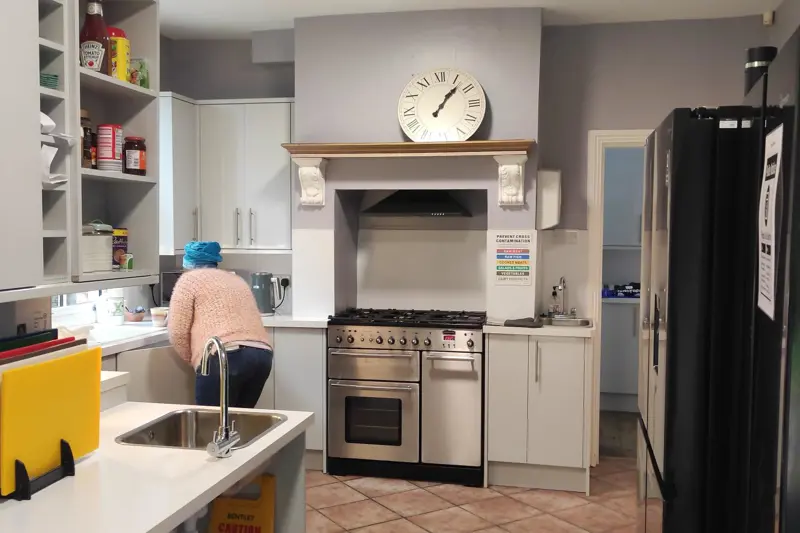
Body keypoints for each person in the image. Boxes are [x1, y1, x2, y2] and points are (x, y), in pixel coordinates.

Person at [168, 241, 273, 408]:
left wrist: (199, 362)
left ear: (188, 262)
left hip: (224, 355)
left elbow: (177, 331)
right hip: (262, 355)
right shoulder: (236, 279)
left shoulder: (189, 280)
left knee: (210, 420)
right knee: (239, 419)